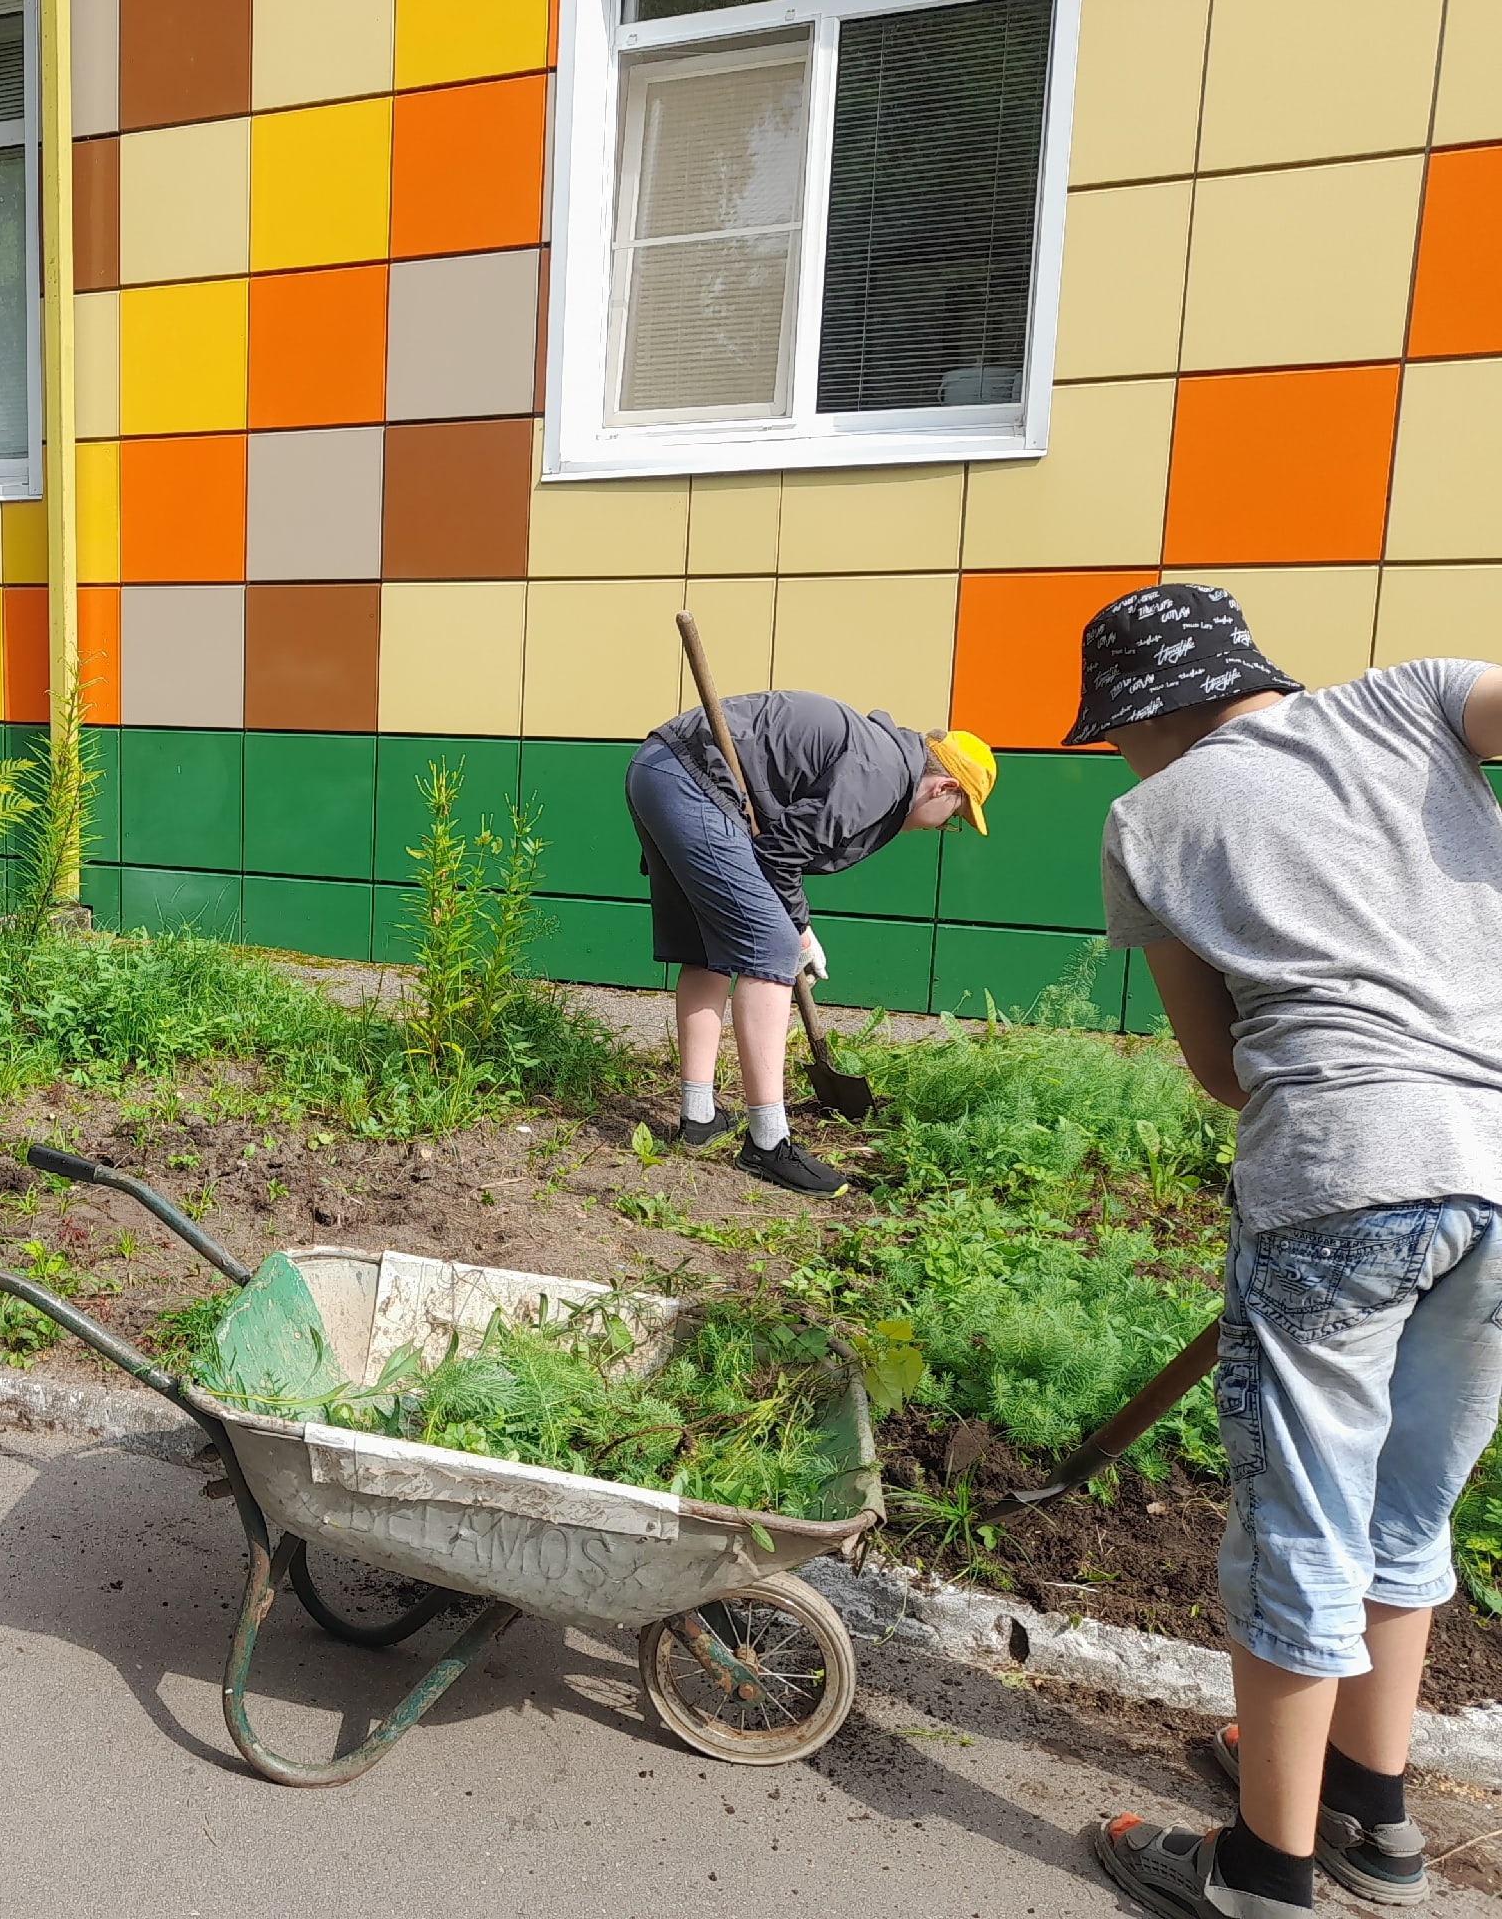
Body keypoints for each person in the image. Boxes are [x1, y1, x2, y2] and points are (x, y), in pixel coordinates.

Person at [1077, 584, 1502, 1919]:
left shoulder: (1150, 819)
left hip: (1341, 1175)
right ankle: (1372, 1822)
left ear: (1150, 714)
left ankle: (1265, 1870)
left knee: (1300, 1526)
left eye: (1115, 732)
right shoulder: (1411, 698)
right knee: (1405, 1510)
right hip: (1501, 1169)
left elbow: (1220, 1070)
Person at [624, 691, 993, 1195]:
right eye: (954, 816)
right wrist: (797, 929)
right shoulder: (880, 774)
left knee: (706, 949)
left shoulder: (879, 758)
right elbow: (778, 854)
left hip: (658, 769)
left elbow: (781, 843)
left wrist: (797, 924)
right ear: (943, 787)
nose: (944, 828)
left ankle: (699, 1115)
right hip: (693, 780)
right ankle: (769, 1144)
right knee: (771, 950)